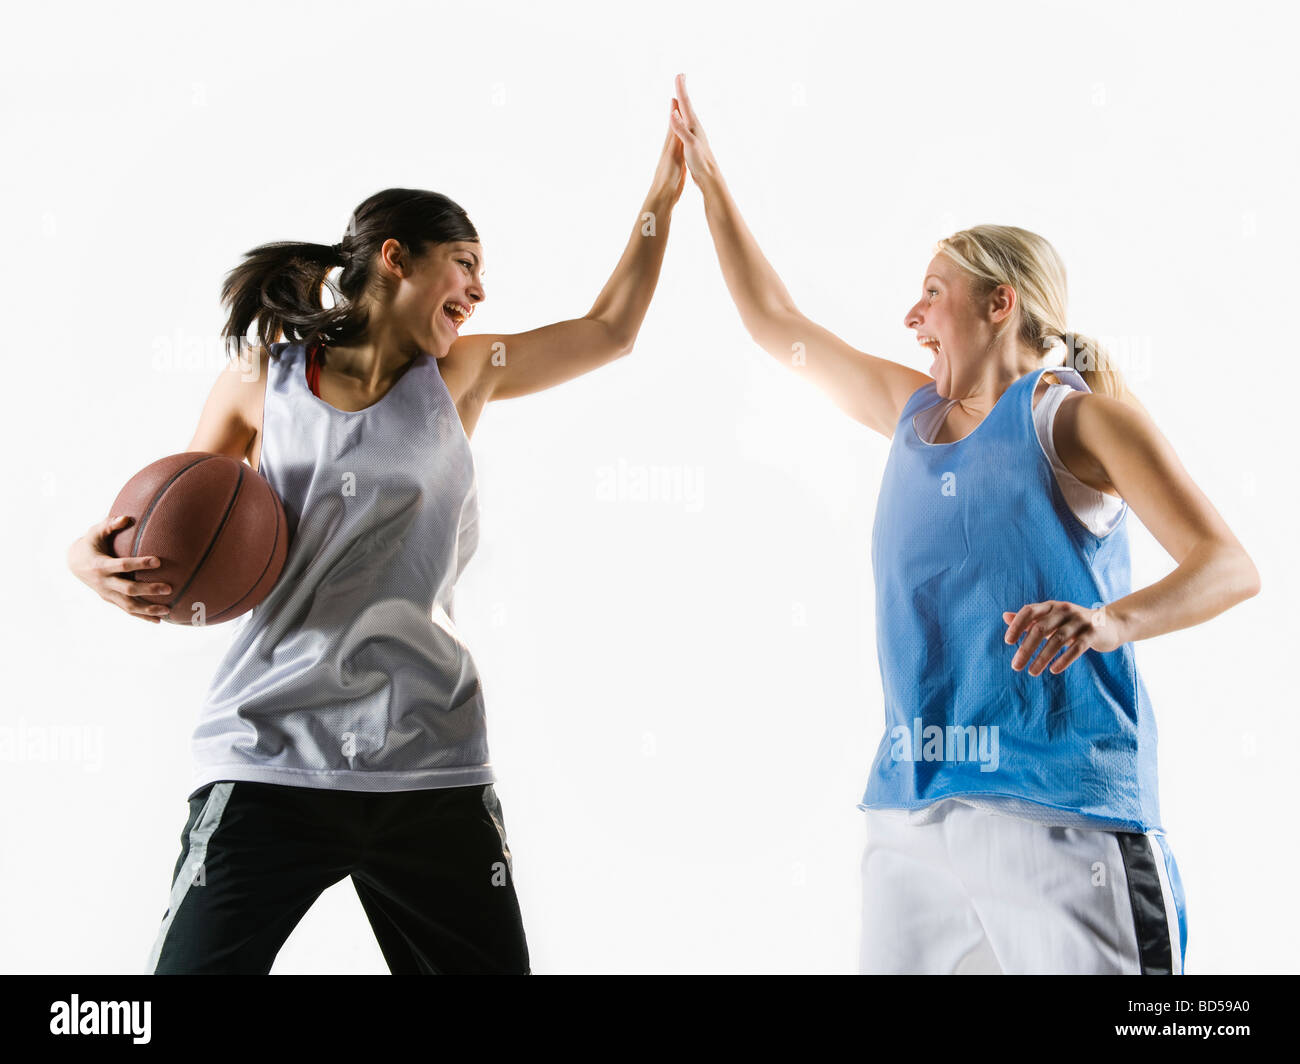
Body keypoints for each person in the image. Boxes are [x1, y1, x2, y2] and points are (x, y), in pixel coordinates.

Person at [65, 112, 686, 974]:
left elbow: (612, 330)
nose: (477, 291)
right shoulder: (262, 378)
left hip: (428, 763)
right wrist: (86, 561)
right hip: (270, 753)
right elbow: (176, 531)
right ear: (395, 258)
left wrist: (661, 196)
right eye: (464, 264)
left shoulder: (462, 375)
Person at [666, 73, 1260, 974]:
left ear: (1000, 305)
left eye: (932, 292)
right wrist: (709, 184)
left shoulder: (1071, 419)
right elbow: (774, 324)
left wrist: (1109, 622)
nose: (911, 315)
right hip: (910, 818)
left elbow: (1228, 564)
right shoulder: (909, 412)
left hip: (1063, 818)